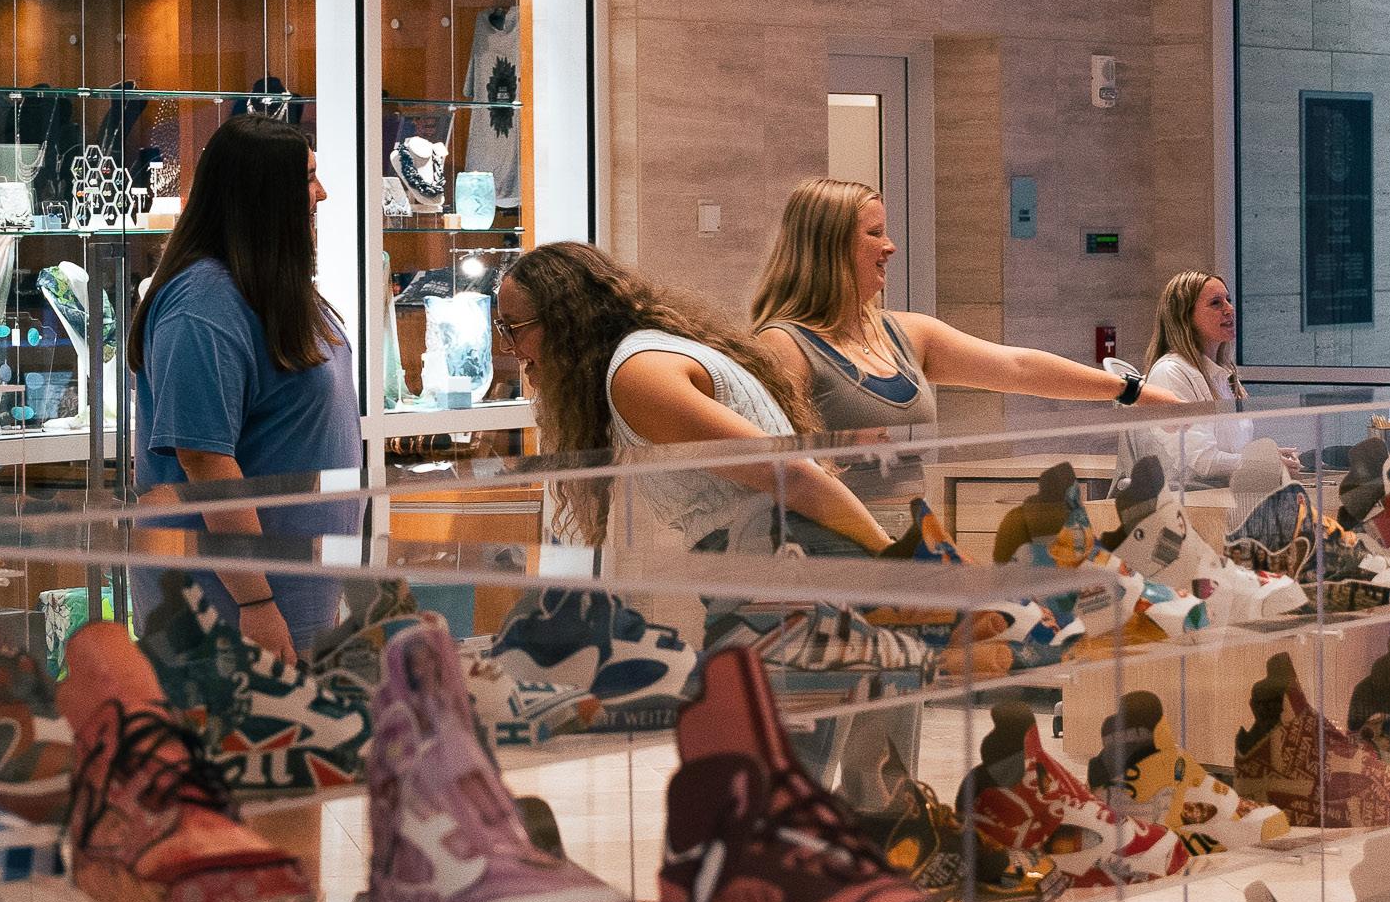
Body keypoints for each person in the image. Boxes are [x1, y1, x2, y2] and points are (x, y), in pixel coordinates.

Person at [129, 114, 361, 656]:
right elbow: (206, 462)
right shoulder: (203, 307)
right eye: (308, 178)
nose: (322, 193)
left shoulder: (269, 286)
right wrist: (256, 603)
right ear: (264, 195)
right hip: (227, 609)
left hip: (293, 594)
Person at [495, 241, 890, 557]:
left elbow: (789, 473)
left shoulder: (639, 373)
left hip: (789, 559)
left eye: (513, 327)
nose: (507, 346)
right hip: (777, 555)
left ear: (565, 322)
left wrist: (888, 557)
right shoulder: (640, 358)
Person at [752, 177, 1182, 431]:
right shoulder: (785, 345)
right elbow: (777, 467)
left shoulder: (907, 333)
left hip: (905, 534)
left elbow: (1018, 368)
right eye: (874, 234)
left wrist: (1132, 391)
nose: (890, 246)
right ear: (829, 247)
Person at [1133, 270, 1286, 483]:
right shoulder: (1170, 372)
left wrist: (1269, 458)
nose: (1229, 309)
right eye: (1216, 303)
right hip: (1191, 498)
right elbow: (1202, 462)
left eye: (1228, 300)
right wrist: (1261, 463)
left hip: (1227, 491)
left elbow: (1234, 451)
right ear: (1185, 317)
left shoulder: (1223, 374)